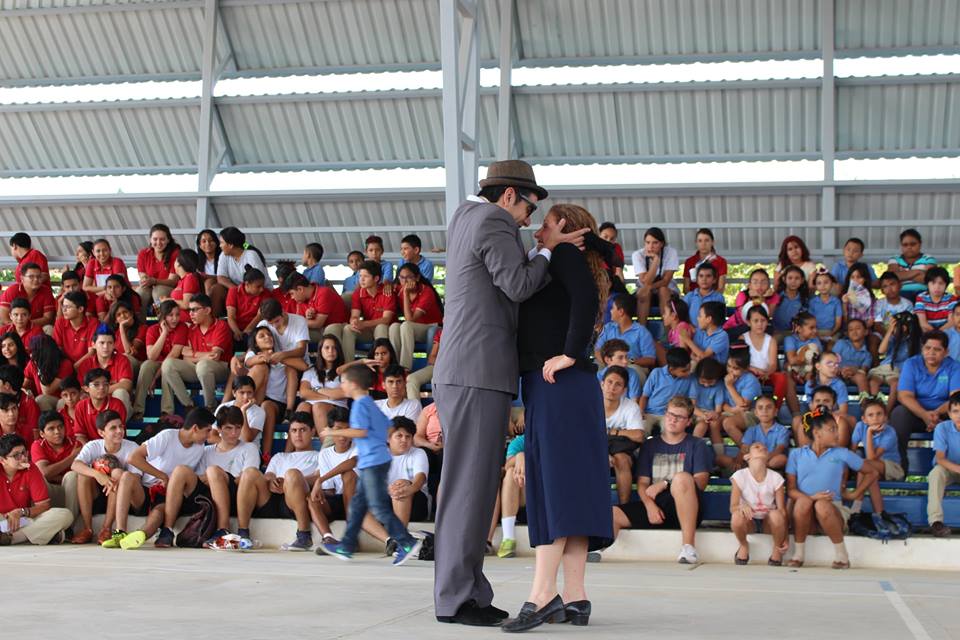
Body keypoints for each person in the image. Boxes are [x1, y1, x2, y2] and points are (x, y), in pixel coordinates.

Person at [431, 160, 587, 627]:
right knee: (470, 489)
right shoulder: (494, 221)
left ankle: (467, 591)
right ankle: (458, 599)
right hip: (477, 370)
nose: (530, 220)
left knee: (467, 488)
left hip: (465, 369)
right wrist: (551, 250)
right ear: (507, 197)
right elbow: (517, 285)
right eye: (528, 206)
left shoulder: (464, 215)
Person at [501, 203, 613, 633]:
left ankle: (542, 594)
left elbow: (583, 301)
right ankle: (577, 595)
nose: (537, 229)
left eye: (545, 223)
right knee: (572, 489)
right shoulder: (562, 258)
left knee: (557, 491)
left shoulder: (564, 255)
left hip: (559, 384)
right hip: (568, 388)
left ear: (564, 227)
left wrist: (569, 352)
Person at [315, 366, 423, 564]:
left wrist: (333, 433)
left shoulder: (360, 406)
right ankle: (346, 546)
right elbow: (388, 427)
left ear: (354, 384)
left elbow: (361, 432)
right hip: (375, 461)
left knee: (379, 508)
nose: (342, 385)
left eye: (344, 382)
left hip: (373, 463)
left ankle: (407, 542)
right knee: (357, 506)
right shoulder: (370, 404)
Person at [604, 396, 709, 565]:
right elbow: (643, 484)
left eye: (679, 417)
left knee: (682, 478)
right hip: (656, 508)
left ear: (688, 422)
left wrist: (665, 483)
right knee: (611, 513)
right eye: (670, 414)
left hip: (685, 507)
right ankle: (599, 550)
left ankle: (688, 547)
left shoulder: (696, 445)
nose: (673, 420)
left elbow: (701, 481)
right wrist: (649, 505)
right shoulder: (650, 445)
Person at [104, 407, 213, 550]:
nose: (209, 435)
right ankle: (120, 533)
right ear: (195, 428)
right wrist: (161, 476)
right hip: (146, 490)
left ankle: (141, 535)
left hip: (168, 494)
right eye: (208, 430)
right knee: (126, 477)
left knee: (158, 513)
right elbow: (133, 458)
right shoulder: (167, 436)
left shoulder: (199, 448)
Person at [786, 408, 878, 569]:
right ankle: (798, 554)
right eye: (832, 429)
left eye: (836, 429)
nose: (837, 433)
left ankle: (842, 556)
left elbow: (872, 472)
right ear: (817, 433)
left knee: (822, 505)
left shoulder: (842, 453)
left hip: (833, 510)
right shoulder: (796, 454)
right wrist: (812, 497)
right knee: (802, 502)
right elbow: (791, 489)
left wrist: (855, 494)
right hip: (805, 513)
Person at [234, 412, 320, 550]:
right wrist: (272, 481)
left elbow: (318, 478)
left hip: (295, 502)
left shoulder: (319, 456)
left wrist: (289, 481)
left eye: (303, 430)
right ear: (290, 434)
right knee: (249, 472)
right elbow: (268, 475)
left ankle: (304, 535)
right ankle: (243, 534)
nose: (298, 435)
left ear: (313, 432)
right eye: (294, 430)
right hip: (271, 500)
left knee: (292, 474)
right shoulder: (280, 456)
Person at [890, 330, 960, 473]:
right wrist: (924, 415)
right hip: (916, 415)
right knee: (899, 413)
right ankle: (899, 469)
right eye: (927, 348)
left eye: (937, 349)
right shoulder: (911, 364)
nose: (931, 352)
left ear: (946, 352)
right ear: (922, 349)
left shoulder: (954, 367)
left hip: (945, 416)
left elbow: (956, 399)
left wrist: (934, 414)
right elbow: (904, 396)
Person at [68, 410, 138, 544]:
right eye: (113, 428)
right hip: (98, 495)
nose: (119, 431)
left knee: (117, 473)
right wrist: (98, 475)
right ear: (101, 433)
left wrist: (113, 479)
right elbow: (75, 465)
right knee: (83, 475)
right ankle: (87, 529)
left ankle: (106, 528)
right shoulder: (93, 445)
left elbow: (135, 480)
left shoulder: (132, 447)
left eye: (121, 426)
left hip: (123, 498)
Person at [198, 405, 260, 547]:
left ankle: (223, 530)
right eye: (228, 428)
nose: (234, 433)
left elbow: (247, 478)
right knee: (212, 472)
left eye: (238, 428)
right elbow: (199, 480)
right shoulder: (206, 451)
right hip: (212, 499)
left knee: (213, 471)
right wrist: (215, 479)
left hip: (241, 497)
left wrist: (217, 478)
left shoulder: (249, 448)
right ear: (218, 429)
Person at [160, 293, 232, 414]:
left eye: (194, 310)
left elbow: (215, 356)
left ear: (207, 310)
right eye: (189, 310)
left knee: (203, 365)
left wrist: (193, 354)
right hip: (198, 368)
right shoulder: (191, 329)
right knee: (168, 364)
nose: (190, 314)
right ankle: (189, 405)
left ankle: (210, 407)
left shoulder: (221, 326)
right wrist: (201, 355)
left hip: (220, 368)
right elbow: (184, 355)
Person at [0, 433, 73, 545]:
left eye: (24, 453)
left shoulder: (31, 468)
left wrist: (21, 512)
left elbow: (44, 505)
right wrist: (7, 516)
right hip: (2, 520)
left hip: (24, 519)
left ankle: (12, 538)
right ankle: (48, 535)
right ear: (2, 460)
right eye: (16, 455)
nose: (23, 458)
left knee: (65, 514)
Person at [730, 442, 788, 565]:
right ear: (747, 457)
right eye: (757, 447)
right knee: (736, 517)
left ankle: (776, 549)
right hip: (749, 520)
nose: (762, 448)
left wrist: (785, 536)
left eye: (765, 448)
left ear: (768, 457)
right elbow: (733, 506)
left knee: (776, 515)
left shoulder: (776, 477)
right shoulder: (739, 475)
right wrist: (741, 506)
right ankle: (744, 545)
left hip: (768, 522)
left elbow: (782, 510)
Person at [308, 407, 358, 548]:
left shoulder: (359, 447)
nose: (342, 436)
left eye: (346, 430)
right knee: (311, 498)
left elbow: (353, 462)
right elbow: (329, 490)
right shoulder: (325, 454)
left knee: (348, 474)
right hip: (338, 499)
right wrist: (317, 493)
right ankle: (328, 538)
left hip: (358, 501)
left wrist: (320, 479)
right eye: (338, 430)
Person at [131, 300, 188, 420]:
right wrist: (164, 333)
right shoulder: (152, 330)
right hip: (158, 364)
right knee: (146, 365)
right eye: (170, 315)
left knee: (167, 368)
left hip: (174, 365)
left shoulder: (182, 327)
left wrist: (155, 378)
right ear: (163, 316)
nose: (175, 319)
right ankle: (137, 410)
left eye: (177, 314)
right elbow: (151, 356)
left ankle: (166, 412)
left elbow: (174, 355)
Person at [602, 366, 645, 504]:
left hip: (621, 453)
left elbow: (639, 436)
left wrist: (614, 432)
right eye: (609, 382)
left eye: (618, 384)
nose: (612, 388)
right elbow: (582, 436)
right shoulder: (590, 404)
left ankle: (623, 508)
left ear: (624, 390)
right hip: (593, 449)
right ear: (602, 384)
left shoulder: (631, 407)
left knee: (621, 459)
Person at [389, 263, 443, 371]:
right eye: (402, 278)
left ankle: (405, 369)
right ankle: (394, 367)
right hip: (412, 329)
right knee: (394, 326)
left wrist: (405, 294)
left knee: (406, 325)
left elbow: (410, 320)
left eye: (409, 277)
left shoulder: (426, 291)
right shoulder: (398, 289)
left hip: (431, 328)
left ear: (417, 278)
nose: (405, 281)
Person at [593, 294, 656, 384]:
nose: (610, 311)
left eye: (613, 308)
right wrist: (608, 362)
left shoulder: (641, 332)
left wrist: (628, 361)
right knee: (595, 368)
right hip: (608, 363)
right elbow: (597, 350)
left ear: (621, 311)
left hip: (630, 365)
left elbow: (650, 359)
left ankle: (633, 397)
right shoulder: (608, 328)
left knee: (635, 372)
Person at [342, 260, 396, 363]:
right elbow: (355, 315)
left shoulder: (387, 292)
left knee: (381, 327)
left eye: (365, 276)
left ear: (376, 278)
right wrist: (354, 321)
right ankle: (348, 365)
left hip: (387, 330)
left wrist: (365, 323)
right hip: (368, 330)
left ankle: (381, 365)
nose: (361, 280)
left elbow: (386, 319)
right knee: (348, 328)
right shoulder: (358, 293)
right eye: (360, 276)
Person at [740, 306, 791, 411]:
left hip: (766, 374)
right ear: (749, 322)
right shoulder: (743, 338)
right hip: (748, 372)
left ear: (767, 322)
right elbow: (740, 362)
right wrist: (752, 369)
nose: (760, 324)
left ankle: (775, 409)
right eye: (756, 321)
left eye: (763, 320)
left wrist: (767, 373)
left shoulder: (771, 340)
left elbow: (773, 364)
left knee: (781, 378)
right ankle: (747, 408)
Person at [76, 327, 133, 415]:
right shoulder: (86, 364)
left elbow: (126, 384)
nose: (106, 347)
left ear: (114, 345)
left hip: (115, 406)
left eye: (110, 343)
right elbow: (83, 389)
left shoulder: (122, 360)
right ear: (93, 344)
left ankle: (117, 426)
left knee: (120, 392)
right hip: (95, 406)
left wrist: (98, 390)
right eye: (102, 343)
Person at [385, 416, 431, 525]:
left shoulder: (418, 453)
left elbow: (420, 479)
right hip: (386, 500)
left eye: (408, 436)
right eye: (399, 436)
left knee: (401, 484)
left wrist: (404, 490)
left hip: (416, 502)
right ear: (388, 438)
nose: (404, 440)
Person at [30, 411, 81, 508]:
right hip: (50, 491)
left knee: (72, 477)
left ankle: (71, 519)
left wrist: (56, 476)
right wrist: (71, 457)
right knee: (40, 478)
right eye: (51, 429)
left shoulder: (75, 444)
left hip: (73, 490)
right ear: (42, 433)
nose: (57, 432)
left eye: (60, 427)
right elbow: (44, 473)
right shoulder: (38, 445)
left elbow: (78, 475)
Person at [927, 391, 960, 537]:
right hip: (949, 469)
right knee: (936, 473)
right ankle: (936, 523)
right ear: (949, 413)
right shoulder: (942, 428)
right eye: (955, 411)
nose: (959, 415)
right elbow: (940, 458)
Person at [283, 272, 349, 344]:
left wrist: (296, 321)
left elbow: (317, 323)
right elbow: (301, 322)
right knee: (292, 333)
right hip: (320, 330)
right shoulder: (301, 301)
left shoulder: (324, 293)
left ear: (300, 289)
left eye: (292, 293)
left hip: (337, 329)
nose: (292, 297)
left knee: (296, 335)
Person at [639, 347, 693, 434]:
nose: (688, 373)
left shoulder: (689, 379)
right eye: (684, 371)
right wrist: (641, 412)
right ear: (671, 369)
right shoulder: (656, 373)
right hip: (649, 413)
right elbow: (644, 396)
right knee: (641, 430)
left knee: (670, 432)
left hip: (669, 415)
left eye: (689, 369)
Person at [631, 226, 679, 324]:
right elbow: (645, 281)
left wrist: (649, 287)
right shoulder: (638, 255)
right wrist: (655, 262)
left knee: (663, 290)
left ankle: (668, 333)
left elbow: (666, 281)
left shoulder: (671, 252)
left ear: (662, 244)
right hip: (645, 292)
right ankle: (641, 331)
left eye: (655, 243)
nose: (650, 246)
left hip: (668, 291)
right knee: (645, 293)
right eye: (647, 242)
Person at [729, 395, 789, 471]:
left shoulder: (782, 430)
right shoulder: (752, 430)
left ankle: (758, 467)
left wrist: (763, 460)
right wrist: (738, 460)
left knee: (782, 459)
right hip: (754, 459)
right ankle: (755, 467)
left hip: (771, 462)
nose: (764, 410)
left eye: (769, 407)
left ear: (775, 412)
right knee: (723, 459)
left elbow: (779, 449)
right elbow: (744, 448)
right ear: (756, 413)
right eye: (760, 408)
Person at [72, 368, 128, 443]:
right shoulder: (81, 406)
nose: (102, 387)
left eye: (105, 384)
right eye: (96, 384)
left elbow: (118, 433)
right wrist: (90, 451)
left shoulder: (117, 405)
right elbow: (80, 435)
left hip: (114, 446)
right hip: (90, 448)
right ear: (86, 388)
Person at [723, 268, 779, 340]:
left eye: (764, 282)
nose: (759, 285)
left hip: (757, 328)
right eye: (755, 282)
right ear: (749, 285)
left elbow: (767, 315)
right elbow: (746, 318)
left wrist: (761, 298)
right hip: (735, 327)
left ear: (769, 285)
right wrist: (757, 299)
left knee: (769, 329)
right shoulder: (742, 295)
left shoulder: (774, 296)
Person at [136, 223, 180, 310]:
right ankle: (140, 321)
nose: (158, 243)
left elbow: (173, 281)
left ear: (168, 240)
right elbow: (142, 275)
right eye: (155, 239)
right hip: (151, 286)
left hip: (169, 287)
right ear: (150, 240)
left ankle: (161, 320)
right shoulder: (144, 253)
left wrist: (155, 281)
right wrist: (145, 279)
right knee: (141, 292)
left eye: (162, 239)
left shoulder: (175, 253)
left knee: (159, 292)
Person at [495, 434, 526, 559]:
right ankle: (508, 538)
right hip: (524, 501)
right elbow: (508, 465)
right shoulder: (519, 442)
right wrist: (520, 456)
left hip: (547, 501)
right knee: (510, 473)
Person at [24, 334, 72, 412]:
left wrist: (40, 367)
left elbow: (47, 391)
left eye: (34, 351)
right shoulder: (33, 363)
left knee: (41, 399)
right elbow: (24, 383)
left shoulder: (65, 364)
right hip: (45, 402)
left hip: (62, 400)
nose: (31, 355)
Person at [0, 263, 56, 329]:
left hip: (36, 328)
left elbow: (48, 318)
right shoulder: (12, 290)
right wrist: (19, 327)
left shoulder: (46, 291)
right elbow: (4, 318)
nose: (36, 279)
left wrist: (26, 325)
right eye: (31, 277)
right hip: (13, 327)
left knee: (49, 328)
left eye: (38, 277)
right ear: (22, 278)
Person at [887, 228, 936, 301]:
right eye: (905, 245)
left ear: (920, 244)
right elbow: (892, 278)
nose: (909, 247)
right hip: (901, 295)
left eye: (913, 244)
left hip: (924, 295)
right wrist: (918, 272)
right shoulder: (894, 259)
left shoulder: (928, 258)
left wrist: (903, 274)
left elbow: (929, 279)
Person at [216, 226, 272, 291]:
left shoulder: (251, 255)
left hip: (259, 292)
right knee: (217, 288)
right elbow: (221, 278)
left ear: (230, 245)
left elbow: (257, 281)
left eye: (222, 242)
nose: (220, 246)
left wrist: (241, 292)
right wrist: (237, 290)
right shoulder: (223, 255)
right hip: (241, 291)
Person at [53, 290, 98, 366]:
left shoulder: (93, 323)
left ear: (80, 309)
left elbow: (92, 352)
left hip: (87, 365)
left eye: (68, 307)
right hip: (66, 364)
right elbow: (58, 349)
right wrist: (68, 366)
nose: (64, 310)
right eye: (63, 306)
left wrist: (76, 366)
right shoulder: (60, 322)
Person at [226, 268, 271, 342]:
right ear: (247, 284)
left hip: (255, 328)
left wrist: (246, 332)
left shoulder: (266, 293)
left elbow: (259, 316)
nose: (262, 289)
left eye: (263, 286)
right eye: (258, 286)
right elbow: (231, 316)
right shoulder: (233, 291)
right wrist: (236, 331)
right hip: (236, 327)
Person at [680, 300, 730, 365]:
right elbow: (693, 352)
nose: (697, 318)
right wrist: (695, 358)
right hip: (699, 366)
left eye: (700, 316)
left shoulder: (722, 336)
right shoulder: (700, 331)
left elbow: (704, 356)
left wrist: (687, 340)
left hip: (714, 372)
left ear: (708, 319)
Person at [833, 318, 872, 397]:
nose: (854, 332)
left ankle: (865, 403)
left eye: (858, 328)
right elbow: (832, 360)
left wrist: (853, 370)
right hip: (837, 372)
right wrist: (842, 370)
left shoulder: (867, 354)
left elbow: (863, 370)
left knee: (861, 377)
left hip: (854, 375)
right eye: (851, 330)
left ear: (866, 332)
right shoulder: (841, 343)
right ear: (847, 333)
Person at [688, 357, 726, 439]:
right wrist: (703, 415)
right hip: (692, 411)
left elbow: (718, 409)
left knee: (702, 425)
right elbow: (692, 406)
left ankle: (693, 447)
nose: (706, 385)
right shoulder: (694, 381)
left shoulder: (719, 385)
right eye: (703, 381)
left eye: (710, 382)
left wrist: (714, 414)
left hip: (707, 414)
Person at [682, 228, 727, 294]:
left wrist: (709, 298)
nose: (703, 244)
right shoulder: (689, 261)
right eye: (700, 241)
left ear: (712, 242)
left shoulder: (721, 261)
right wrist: (694, 299)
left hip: (713, 299)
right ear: (696, 243)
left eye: (707, 240)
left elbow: (721, 288)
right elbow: (686, 288)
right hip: (694, 299)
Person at [164, 248, 202, 324]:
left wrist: (168, 300)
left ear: (178, 263)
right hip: (177, 321)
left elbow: (186, 304)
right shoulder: (182, 280)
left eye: (175, 260)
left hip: (186, 323)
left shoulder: (190, 278)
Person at [915, 266, 958, 332]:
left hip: (947, 332)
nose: (937, 287)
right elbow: (923, 323)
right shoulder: (921, 298)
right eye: (933, 283)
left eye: (941, 283)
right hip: (927, 333)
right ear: (927, 284)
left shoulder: (951, 299)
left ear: (946, 285)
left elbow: (951, 322)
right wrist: (935, 334)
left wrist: (938, 333)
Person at [683, 262, 726, 326]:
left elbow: (720, 320)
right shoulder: (689, 297)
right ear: (697, 279)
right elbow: (682, 317)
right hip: (691, 334)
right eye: (701, 276)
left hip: (711, 334)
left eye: (708, 276)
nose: (704, 279)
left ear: (714, 280)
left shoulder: (718, 298)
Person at [772, 264, 809, 334]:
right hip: (776, 332)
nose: (793, 281)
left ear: (802, 280)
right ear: (784, 279)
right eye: (790, 278)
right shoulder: (776, 296)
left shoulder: (804, 300)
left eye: (797, 278)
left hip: (796, 334)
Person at [406, 327, 441, 400]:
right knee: (411, 379)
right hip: (438, 366)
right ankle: (415, 410)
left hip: (457, 369)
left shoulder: (466, 333)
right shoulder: (442, 332)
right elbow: (431, 358)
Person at [809, 271, 842, 342]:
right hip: (815, 332)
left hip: (832, 331)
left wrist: (831, 333)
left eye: (826, 282)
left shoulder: (836, 302)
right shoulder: (813, 302)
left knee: (831, 346)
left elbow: (838, 322)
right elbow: (810, 321)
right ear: (816, 286)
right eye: (819, 283)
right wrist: (816, 333)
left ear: (832, 284)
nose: (823, 286)